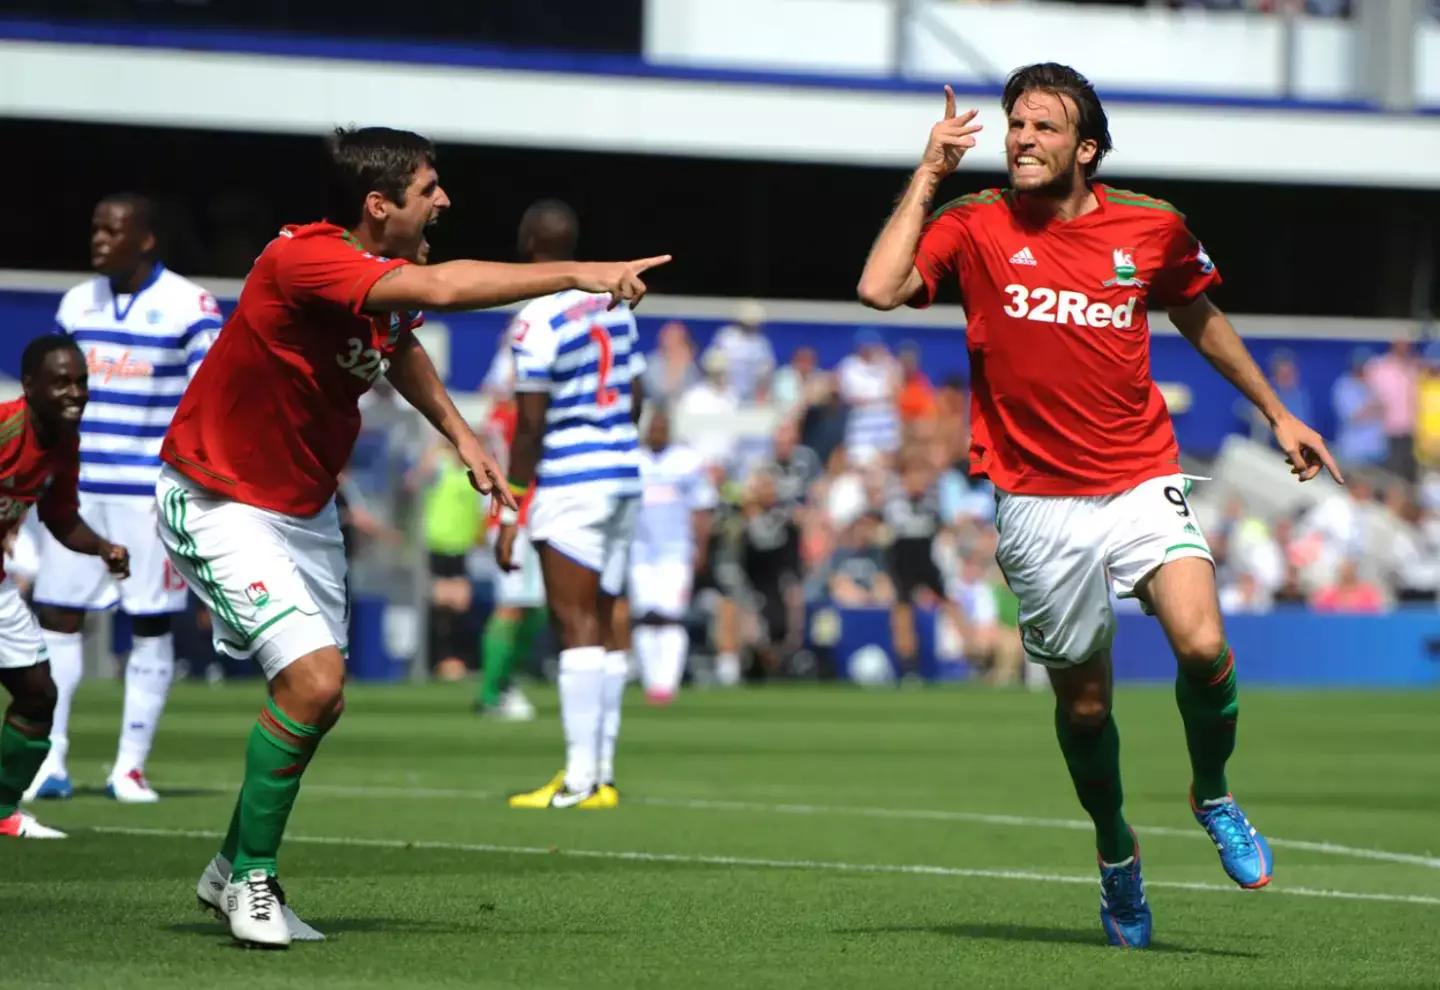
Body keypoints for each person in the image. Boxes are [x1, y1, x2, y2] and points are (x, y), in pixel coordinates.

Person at [857, 63, 1340, 949]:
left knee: (1202, 642)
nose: (1021, 139)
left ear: (1085, 148)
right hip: (1037, 504)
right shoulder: (973, 226)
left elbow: (1200, 316)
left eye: (1043, 127)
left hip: (1139, 477)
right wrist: (929, 171)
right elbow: (878, 290)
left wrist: (1278, 412)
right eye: (1015, 125)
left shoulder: (1152, 228)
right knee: (1085, 709)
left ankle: (1214, 792)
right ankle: (1117, 853)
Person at [156, 129, 667, 949]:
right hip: (218, 495)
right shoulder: (305, 258)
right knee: (314, 685)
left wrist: (462, 438)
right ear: (377, 204)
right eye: (430, 187)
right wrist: (580, 273)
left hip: (303, 510)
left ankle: (228, 866)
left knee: (321, 702)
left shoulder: (383, 286)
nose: (445, 200)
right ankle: (253, 881)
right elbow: (448, 287)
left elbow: (397, 349)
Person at [26, 194, 221, 805]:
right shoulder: (76, 304)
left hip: (149, 496)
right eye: (96, 228)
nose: (100, 238)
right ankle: (48, 761)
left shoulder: (191, 306)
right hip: (77, 490)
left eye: (113, 229)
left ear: (147, 239)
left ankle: (129, 768)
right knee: (58, 616)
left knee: (149, 622)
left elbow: (210, 400)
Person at [499, 199, 646, 810]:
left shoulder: (535, 320)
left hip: (571, 483)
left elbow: (528, 427)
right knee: (606, 614)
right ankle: (602, 775)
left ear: (529, 241)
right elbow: (637, 395)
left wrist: (510, 508)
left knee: (575, 620)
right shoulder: (615, 302)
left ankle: (580, 778)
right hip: (622, 475)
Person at [1, 336, 131, 838]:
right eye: (61, 382)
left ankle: (3, 812)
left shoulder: (63, 442)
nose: (74, 392)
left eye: (81, 381)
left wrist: (103, 548)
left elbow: (59, 517)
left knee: (37, 695)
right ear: (30, 386)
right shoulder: (5, 426)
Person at [630, 406, 717, 705]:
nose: (656, 432)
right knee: (644, 616)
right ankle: (649, 680)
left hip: (675, 551)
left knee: (671, 616)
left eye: (661, 426)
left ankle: (667, 683)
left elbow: (702, 508)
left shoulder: (686, 462)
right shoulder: (633, 461)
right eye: (652, 426)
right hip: (639, 551)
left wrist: (700, 547)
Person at [474, 384, 541, 721]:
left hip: (515, 515)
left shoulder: (499, 414)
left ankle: (504, 683)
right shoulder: (520, 415)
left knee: (531, 607)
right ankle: (493, 691)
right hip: (518, 516)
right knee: (514, 606)